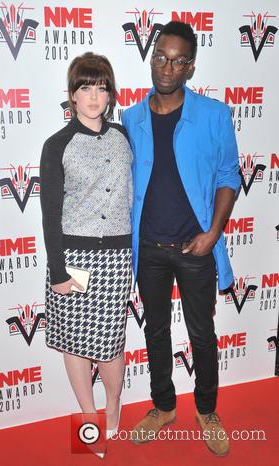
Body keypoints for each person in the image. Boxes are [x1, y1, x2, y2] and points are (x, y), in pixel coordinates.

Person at [122, 21, 240, 456]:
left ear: (190, 66)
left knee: (202, 334)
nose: (166, 68)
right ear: (151, 58)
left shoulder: (214, 114)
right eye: (160, 57)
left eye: (177, 61)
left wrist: (212, 233)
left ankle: (207, 411)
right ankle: (163, 406)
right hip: (148, 248)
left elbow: (229, 175)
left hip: (196, 248)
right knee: (155, 332)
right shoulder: (130, 117)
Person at [40, 52, 133, 442]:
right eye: (85, 87)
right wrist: (58, 271)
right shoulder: (56, 144)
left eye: (102, 87)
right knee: (74, 343)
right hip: (73, 258)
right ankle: (88, 418)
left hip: (116, 257)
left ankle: (113, 404)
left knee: (110, 342)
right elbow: (50, 213)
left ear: (110, 94)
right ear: (72, 95)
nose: (94, 95)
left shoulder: (125, 137)